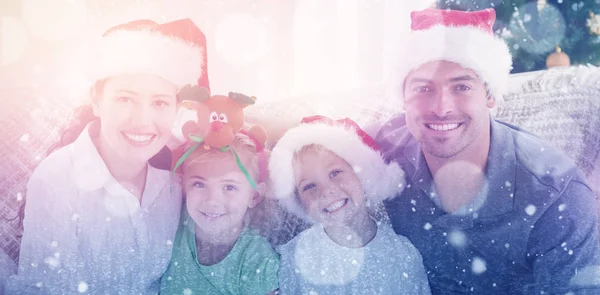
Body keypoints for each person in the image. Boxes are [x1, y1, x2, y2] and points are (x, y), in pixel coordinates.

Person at [375, 8, 600, 294]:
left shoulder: (556, 193)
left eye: (461, 87)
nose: (441, 108)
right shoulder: (384, 150)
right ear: (403, 99)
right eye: (423, 88)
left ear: (490, 95)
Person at [5, 18, 209, 294]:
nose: (143, 120)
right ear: (97, 100)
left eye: (160, 102)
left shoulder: (177, 179)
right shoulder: (57, 179)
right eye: (126, 99)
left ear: (175, 109)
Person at [269, 116, 431, 294]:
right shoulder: (292, 258)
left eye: (335, 173)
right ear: (299, 201)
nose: (326, 191)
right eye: (309, 186)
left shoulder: (402, 253)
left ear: (363, 175)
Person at [160, 133, 279, 295]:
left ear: (254, 196)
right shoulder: (173, 224)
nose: (212, 201)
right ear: (184, 187)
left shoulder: (257, 260)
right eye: (199, 184)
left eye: (229, 187)